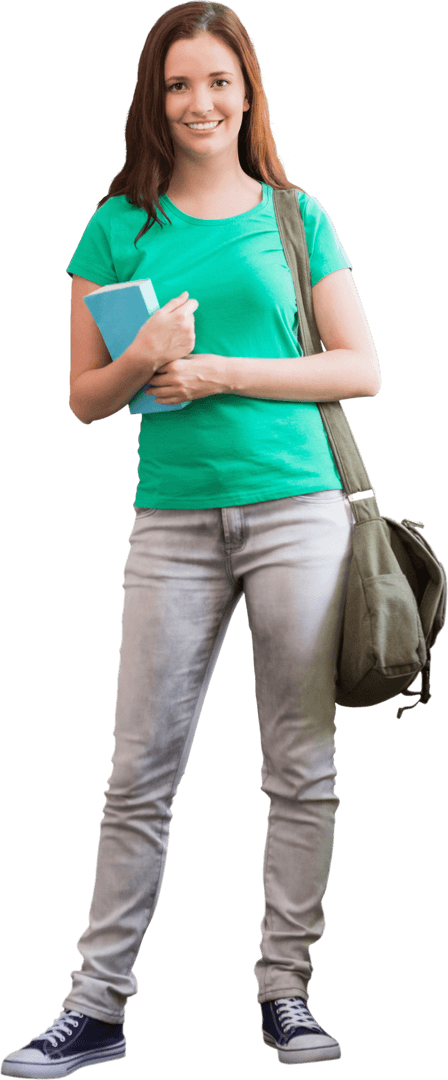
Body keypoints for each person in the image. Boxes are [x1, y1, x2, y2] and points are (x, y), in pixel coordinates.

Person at [1, 2, 381, 1075]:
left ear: (247, 92)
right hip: (170, 522)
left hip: (297, 508)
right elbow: (82, 398)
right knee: (137, 773)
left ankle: (285, 995)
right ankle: (96, 1004)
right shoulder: (115, 224)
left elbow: (360, 368)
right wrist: (147, 355)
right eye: (177, 85)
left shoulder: (299, 216)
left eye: (217, 80)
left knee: (299, 769)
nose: (199, 102)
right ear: (152, 101)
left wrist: (216, 369)